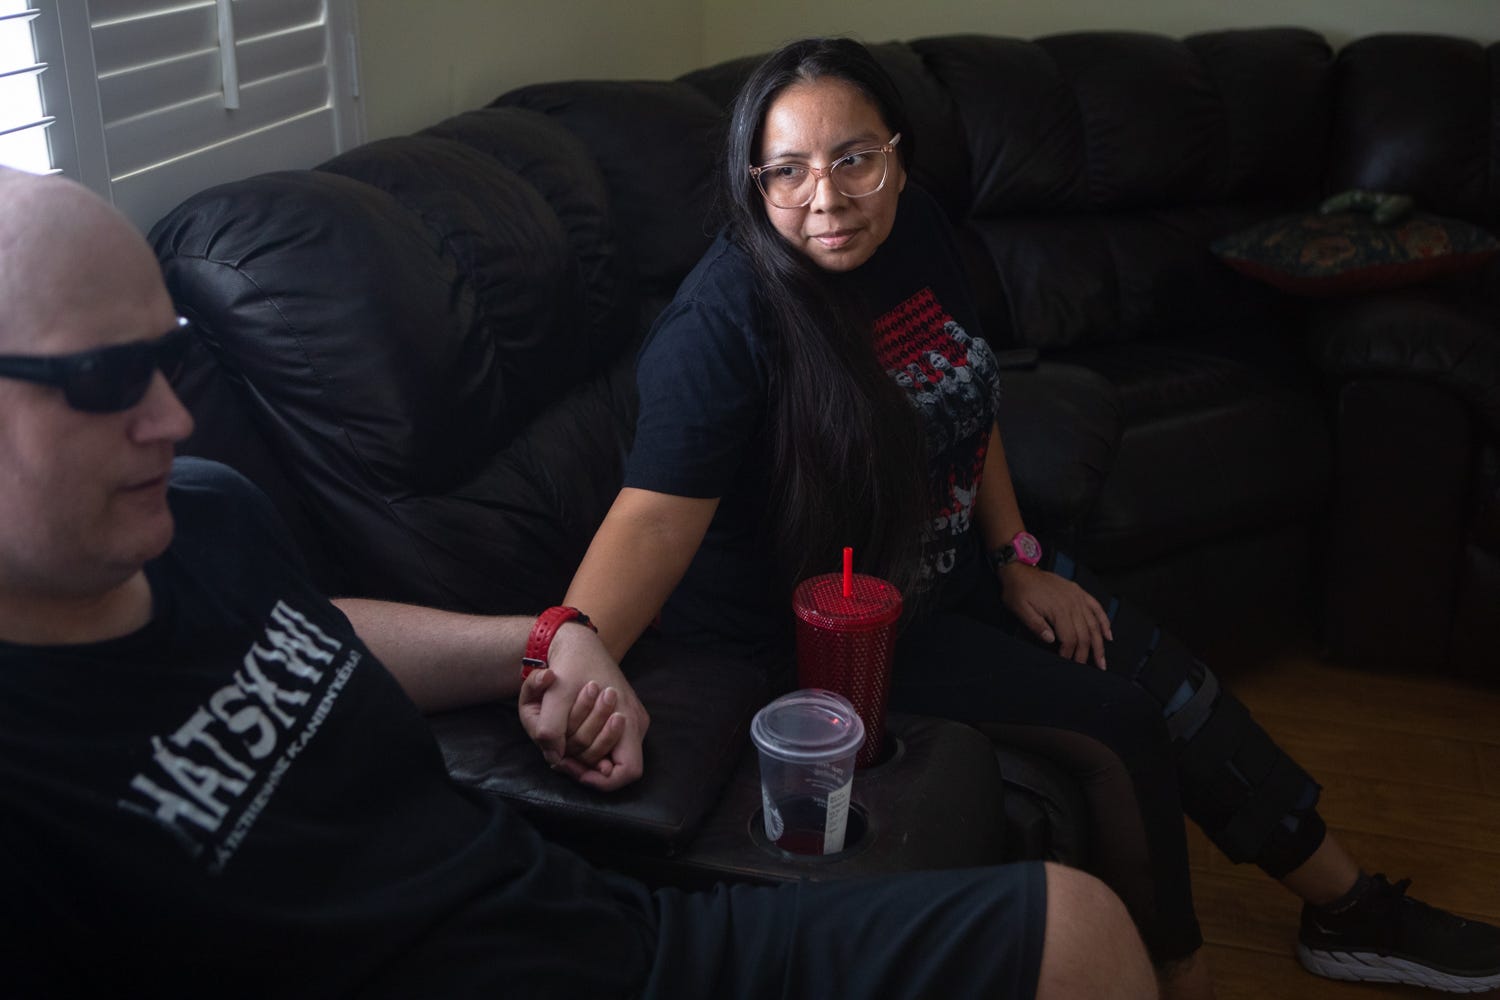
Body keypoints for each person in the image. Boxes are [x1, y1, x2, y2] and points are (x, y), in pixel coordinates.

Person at [0, 167, 1158, 999]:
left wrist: (549, 636)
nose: (171, 415)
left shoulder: (202, 514)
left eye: (165, 355)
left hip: (610, 933)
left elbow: (313, 629)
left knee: (1076, 930)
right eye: (105, 375)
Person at [549, 36, 1500, 999]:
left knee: (1174, 680)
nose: (826, 199)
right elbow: (654, 522)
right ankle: (1182, 973)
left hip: (955, 574)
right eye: (787, 172)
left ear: (899, 155)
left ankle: (1350, 910)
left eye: (854, 160)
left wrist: (1018, 554)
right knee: (1123, 721)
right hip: (837, 632)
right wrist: (573, 642)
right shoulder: (721, 325)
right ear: (752, 180)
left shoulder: (912, 230)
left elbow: (967, 399)